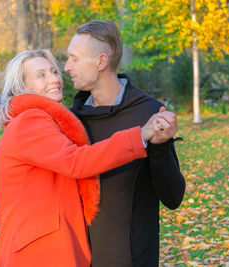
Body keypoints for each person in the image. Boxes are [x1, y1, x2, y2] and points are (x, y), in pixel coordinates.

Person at [0, 49, 177, 267]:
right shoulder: (30, 121)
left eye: (54, 71)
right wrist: (140, 135)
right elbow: (76, 161)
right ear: (20, 88)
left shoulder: (39, 121)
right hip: (38, 251)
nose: (54, 79)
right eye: (41, 75)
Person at [65, 20, 186, 267]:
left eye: (74, 59)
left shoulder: (149, 114)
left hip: (133, 259)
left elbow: (173, 197)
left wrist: (160, 148)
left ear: (100, 62)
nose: (66, 67)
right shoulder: (72, 120)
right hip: (78, 258)